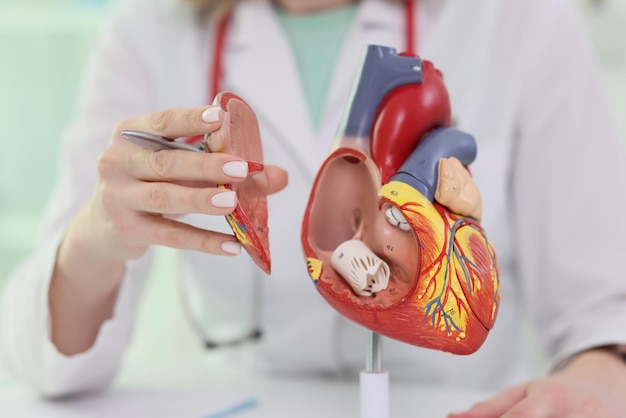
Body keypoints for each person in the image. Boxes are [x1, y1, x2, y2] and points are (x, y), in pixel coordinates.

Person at [1, 0, 626, 416]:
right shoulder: (148, 30)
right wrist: (96, 236)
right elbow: (51, 367)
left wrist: (600, 379)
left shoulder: (522, 18)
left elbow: (604, 314)